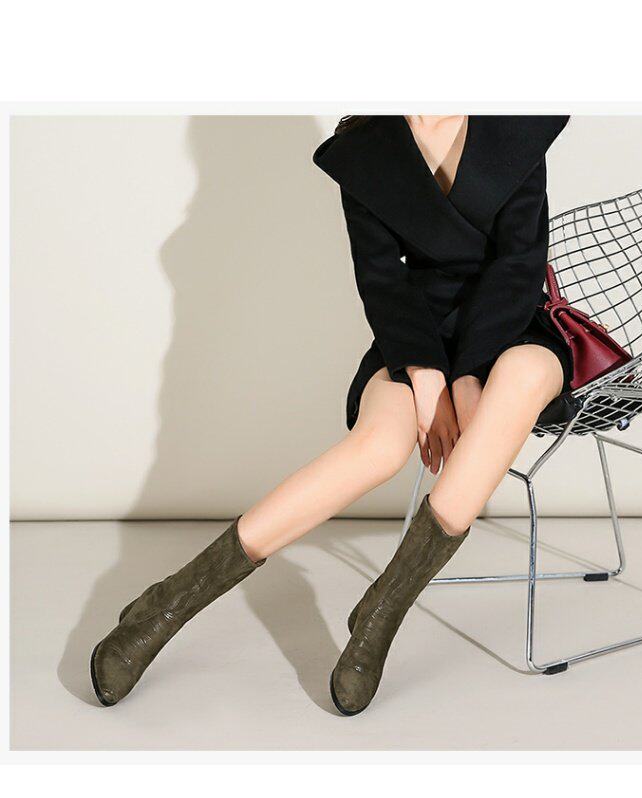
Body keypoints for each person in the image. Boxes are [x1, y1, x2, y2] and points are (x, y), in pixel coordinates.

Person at [90, 114, 572, 716]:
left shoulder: (516, 122)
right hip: (415, 335)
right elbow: (380, 278)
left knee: (521, 378)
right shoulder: (364, 148)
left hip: (510, 328)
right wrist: (427, 374)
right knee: (380, 447)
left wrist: (470, 373)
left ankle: (383, 609)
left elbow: (520, 261)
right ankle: (166, 603)